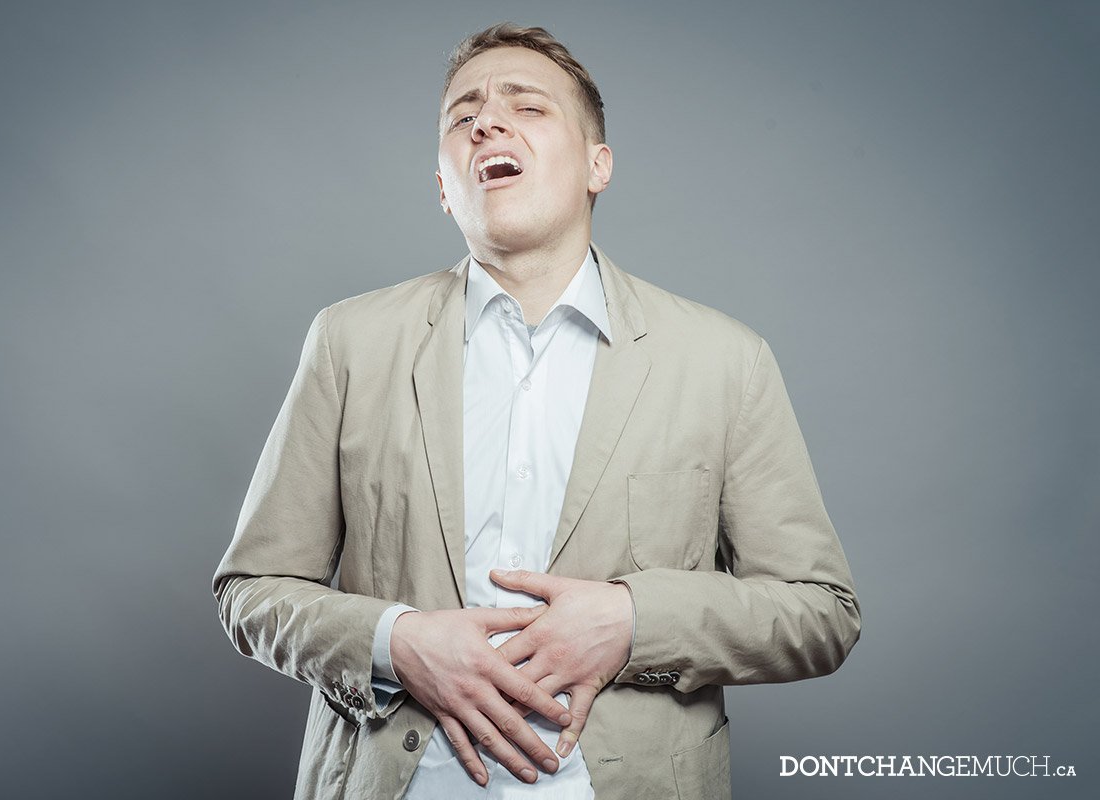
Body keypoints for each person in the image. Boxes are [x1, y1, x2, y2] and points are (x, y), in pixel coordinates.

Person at [212, 22, 861, 800]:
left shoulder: (726, 360)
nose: (487, 121)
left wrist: (631, 622)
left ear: (599, 165)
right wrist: (397, 642)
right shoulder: (349, 342)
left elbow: (821, 615)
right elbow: (252, 590)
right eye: (463, 115)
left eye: (528, 106)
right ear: (444, 185)